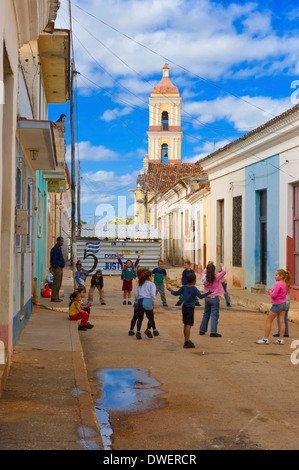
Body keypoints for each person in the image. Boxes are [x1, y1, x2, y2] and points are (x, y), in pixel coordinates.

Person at [167, 273, 212, 348]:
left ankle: (186, 340)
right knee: (188, 325)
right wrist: (208, 293)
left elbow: (176, 293)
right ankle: (187, 342)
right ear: (194, 280)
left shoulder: (184, 287)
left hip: (184, 307)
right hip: (190, 308)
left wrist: (171, 290)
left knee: (185, 324)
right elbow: (200, 296)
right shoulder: (194, 288)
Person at [257, 269, 290, 345]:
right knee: (282, 322)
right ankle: (280, 339)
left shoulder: (277, 284)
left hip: (277, 305)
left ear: (281, 276)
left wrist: (269, 292)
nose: (275, 276)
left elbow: (274, 295)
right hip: (284, 304)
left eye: (276, 275)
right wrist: (272, 291)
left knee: (268, 321)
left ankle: (265, 339)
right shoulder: (285, 284)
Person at [129, 269, 159, 340]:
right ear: (149, 277)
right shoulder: (152, 284)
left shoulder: (140, 283)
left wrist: (138, 299)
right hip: (147, 300)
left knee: (140, 318)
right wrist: (153, 302)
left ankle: (138, 332)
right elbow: (152, 295)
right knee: (151, 318)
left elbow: (136, 294)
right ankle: (148, 329)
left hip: (140, 300)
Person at [199, 262, 226, 337]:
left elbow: (203, 271)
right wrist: (222, 266)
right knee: (214, 315)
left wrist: (207, 266)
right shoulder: (216, 277)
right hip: (214, 298)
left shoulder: (204, 276)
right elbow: (224, 272)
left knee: (206, 314)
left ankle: (202, 330)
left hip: (207, 297)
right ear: (214, 270)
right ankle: (213, 332)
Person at [50, 236, 65, 302]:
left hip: (60, 267)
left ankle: (57, 296)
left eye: (62, 241)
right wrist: (56, 266)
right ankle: (54, 297)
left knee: (59, 283)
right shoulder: (54, 249)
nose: (62, 242)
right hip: (57, 267)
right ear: (57, 241)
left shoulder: (59, 249)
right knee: (56, 283)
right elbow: (53, 260)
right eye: (61, 241)